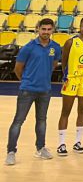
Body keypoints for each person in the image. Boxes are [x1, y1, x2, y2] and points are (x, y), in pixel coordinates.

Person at [5, 18, 61, 166]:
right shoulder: (28, 48)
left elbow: (53, 65)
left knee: (42, 121)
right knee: (18, 121)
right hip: (27, 90)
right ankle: (11, 152)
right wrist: (26, 81)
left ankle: (40, 148)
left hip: (45, 91)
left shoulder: (55, 47)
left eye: (49, 29)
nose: (46, 32)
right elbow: (18, 69)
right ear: (38, 29)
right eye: (44, 29)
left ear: (52, 30)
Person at [57, 16, 83, 156]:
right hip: (72, 79)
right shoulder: (70, 42)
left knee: (82, 111)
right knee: (66, 111)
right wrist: (67, 75)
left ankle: (78, 142)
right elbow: (64, 61)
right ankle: (61, 143)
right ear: (79, 27)